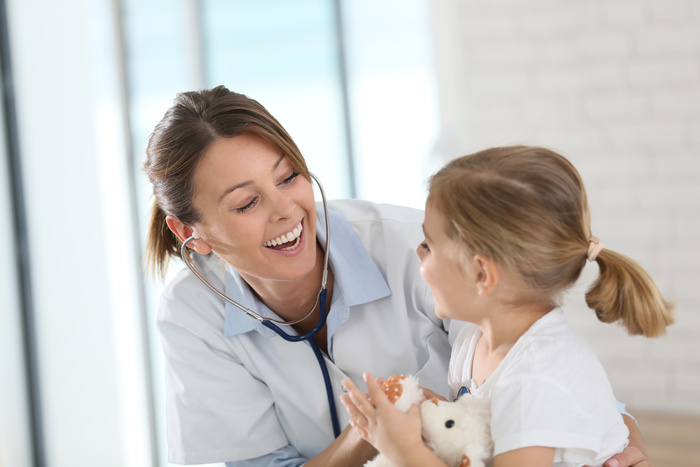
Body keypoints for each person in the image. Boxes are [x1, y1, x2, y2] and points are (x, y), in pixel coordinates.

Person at [143, 86, 654, 466]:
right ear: (191, 232)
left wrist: (615, 436)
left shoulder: (425, 249)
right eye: (248, 202)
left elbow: (537, 378)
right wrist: (373, 432)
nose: (286, 210)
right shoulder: (193, 313)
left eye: (289, 177)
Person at [340, 146, 674, 467]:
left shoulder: (537, 375)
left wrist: (402, 449)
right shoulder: (475, 341)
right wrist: (429, 408)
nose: (418, 253)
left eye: (428, 244)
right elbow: (482, 428)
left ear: (481, 274)